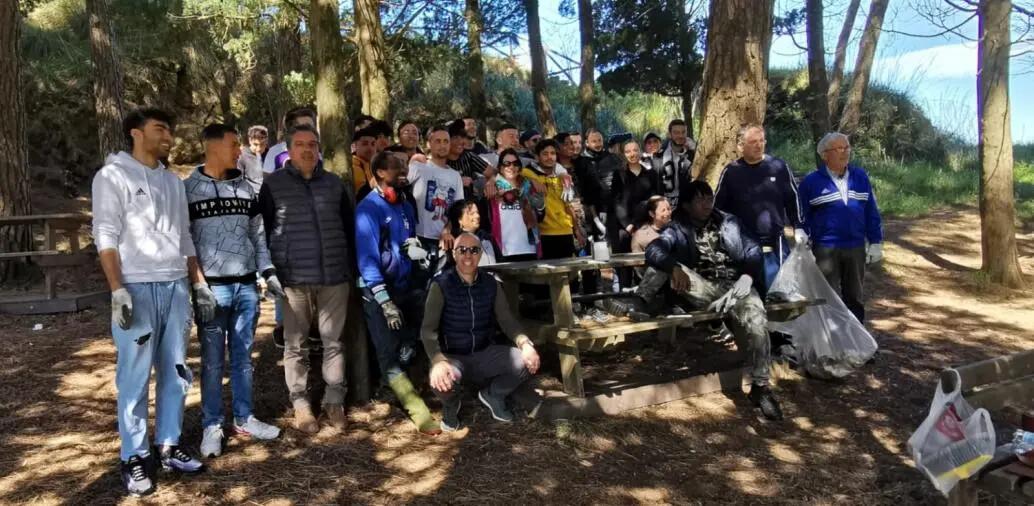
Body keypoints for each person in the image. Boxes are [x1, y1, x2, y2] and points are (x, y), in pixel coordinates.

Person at [92, 108, 206, 496]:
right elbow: (105, 234)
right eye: (160, 129)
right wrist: (117, 289)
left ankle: (169, 444)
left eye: (170, 130)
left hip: (175, 287)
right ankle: (135, 456)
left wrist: (198, 283)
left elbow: (185, 237)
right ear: (135, 133)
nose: (169, 137)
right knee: (134, 376)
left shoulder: (173, 182)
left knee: (175, 371)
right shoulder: (112, 176)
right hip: (137, 289)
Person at [636, 181, 782, 421]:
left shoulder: (730, 222)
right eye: (700, 200)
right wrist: (674, 267)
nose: (707, 204)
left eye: (709, 198)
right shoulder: (677, 228)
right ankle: (639, 302)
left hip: (737, 286)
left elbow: (754, 249)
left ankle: (760, 387)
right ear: (686, 204)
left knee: (757, 322)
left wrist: (747, 276)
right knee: (666, 264)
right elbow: (654, 248)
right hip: (703, 288)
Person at [185, 124, 285, 458]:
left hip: (245, 287)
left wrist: (266, 271)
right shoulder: (189, 189)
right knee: (213, 362)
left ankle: (244, 417)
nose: (239, 150)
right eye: (233, 145)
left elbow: (258, 235)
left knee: (243, 359)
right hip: (212, 289)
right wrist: (197, 283)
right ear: (212, 147)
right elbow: (186, 242)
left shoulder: (246, 188)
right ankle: (212, 424)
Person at [258, 124, 352, 434]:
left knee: (333, 341)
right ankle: (300, 402)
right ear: (289, 149)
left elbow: (347, 227)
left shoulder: (335, 184)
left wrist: (348, 268)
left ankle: (334, 400)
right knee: (295, 344)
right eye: (300, 144)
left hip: (333, 275)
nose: (308, 149)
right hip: (293, 276)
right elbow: (267, 229)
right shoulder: (273, 185)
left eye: (312, 144)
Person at [355, 152, 442, 435]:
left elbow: (405, 241)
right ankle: (418, 411)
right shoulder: (368, 209)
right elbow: (367, 258)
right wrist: (384, 301)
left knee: (419, 333)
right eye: (396, 167)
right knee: (387, 353)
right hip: (378, 291)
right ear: (380, 172)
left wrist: (416, 253)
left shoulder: (404, 203)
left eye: (404, 165)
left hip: (406, 286)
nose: (403, 170)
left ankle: (389, 389)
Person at [421, 232, 541, 430]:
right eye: (462, 250)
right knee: (440, 379)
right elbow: (428, 330)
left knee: (526, 361)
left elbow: (507, 320)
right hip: (453, 356)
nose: (468, 255)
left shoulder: (490, 283)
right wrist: (437, 361)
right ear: (454, 254)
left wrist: (525, 343)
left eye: (474, 250)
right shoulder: (441, 284)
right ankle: (451, 405)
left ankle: (494, 395)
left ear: (480, 254)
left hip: (485, 353)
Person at [798, 132, 883, 323]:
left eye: (847, 147)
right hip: (825, 248)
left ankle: (857, 343)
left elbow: (871, 211)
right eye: (839, 148)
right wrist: (802, 235)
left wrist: (876, 241)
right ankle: (831, 343)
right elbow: (801, 215)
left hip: (855, 246)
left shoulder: (860, 177)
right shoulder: (811, 182)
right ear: (825, 155)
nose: (845, 152)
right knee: (827, 297)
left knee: (855, 296)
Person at [713, 124, 805, 294]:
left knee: (778, 294)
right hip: (742, 246)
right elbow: (717, 208)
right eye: (753, 141)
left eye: (762, 140)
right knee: (749, 296)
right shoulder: (731, 172)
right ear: (740, 146)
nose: (759, 145)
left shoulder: (779, 167)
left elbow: (793, 199)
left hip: (774, 243)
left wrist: (799, 226)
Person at [523, 139, 585, 260]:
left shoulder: (562, 179)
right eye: (545, 154)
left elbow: (568, 206)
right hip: (544, 235)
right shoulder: (530, 176)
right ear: (537, 156)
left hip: (565, 232)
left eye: (553, 153)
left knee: (568, 275)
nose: (549, 157)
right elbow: (522, 171)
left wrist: (576, 229)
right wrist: (533, 179)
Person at [607, 138, 657, 287]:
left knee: (646, 261)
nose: (632, 154)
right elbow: (617, 202)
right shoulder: (619, 175)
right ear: (624, 154)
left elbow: (653, 199)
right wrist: (628, 225)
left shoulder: (650, 174)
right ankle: (625, 292)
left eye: (635, 150)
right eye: (628, 151)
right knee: (625, 263)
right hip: (624, 226)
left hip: (644, 224)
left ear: (640, 151)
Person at [408, 125, 464, 257]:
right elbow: (398, 186)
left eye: (446, 141)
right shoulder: (418, 167)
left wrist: (447, 230)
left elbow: (457, 211)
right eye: (437, 141)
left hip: (444, 241)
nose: (442, 145)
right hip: (418, 237)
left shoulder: (455, 175)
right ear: (428, 144)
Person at [487, 148, 543, 262]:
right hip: (503, 250)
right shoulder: (492, 188)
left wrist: (541, 206)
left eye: (515, 163)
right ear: (500, 167)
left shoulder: (529, 186)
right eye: (506, 163)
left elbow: (540, 216)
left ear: (519, 166)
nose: (511, 167)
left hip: (529, 248)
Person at [444, 199, 498, 267]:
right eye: (472, 214)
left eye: (477, 212)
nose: (477, 216)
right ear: (459, 219)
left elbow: (500, 261)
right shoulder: (453, 241)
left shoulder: (487, 237)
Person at [262, 107, 317, 174]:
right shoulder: (275, 152)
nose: (310, 130)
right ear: (291, 129)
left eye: (312, 127)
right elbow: (267, 181)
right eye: (305, 127)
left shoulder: (317, 154)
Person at [445, 119, 490, 199]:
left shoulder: (469, 157)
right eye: (455, 137)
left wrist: (492, 182)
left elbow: (494, 173)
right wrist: (457, 182)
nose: (461, 141)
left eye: (462, 136)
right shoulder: (440, 160)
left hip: (470, 207)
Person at [656, 119, 695, 208]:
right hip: (665, 204)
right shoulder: (660, 154)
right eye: (676, 132)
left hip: (685, 203)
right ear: (669, 134)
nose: (680, 136)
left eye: (683, 132)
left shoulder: (692, 153)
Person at [237, 125, 268, 191]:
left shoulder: (269, 154)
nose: (259, 148)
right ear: (250, 140)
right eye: (256, 144)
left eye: (262, 144)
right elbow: (238, 182)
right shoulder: (242, 156)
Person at [351, 126, 378, 192]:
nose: (370, 148)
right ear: (355, 146)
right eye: (364, 144)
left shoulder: (374, 166)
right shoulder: (352, 165)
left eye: (373, 144)